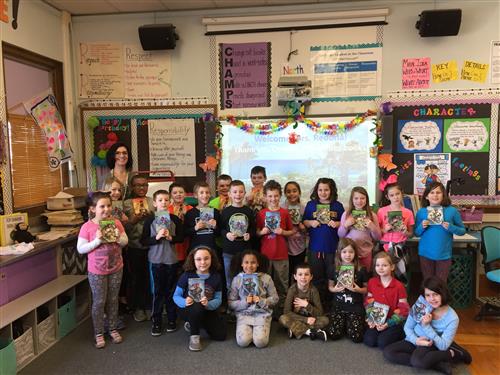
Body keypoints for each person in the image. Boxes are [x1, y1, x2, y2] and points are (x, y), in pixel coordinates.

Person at [384, 277, 472, 374]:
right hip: (416, 340)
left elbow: (442, 346)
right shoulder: (421, 305)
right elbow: (408, 327)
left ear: (443, 293)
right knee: (388, 352)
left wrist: (426, 326)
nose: (432, 299)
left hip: (432, 343)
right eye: (428, 295)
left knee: (417, 361)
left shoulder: (452, 318)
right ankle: (437, 364)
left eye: (435, 294)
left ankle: (451, 353)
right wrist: (416, 340)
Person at [77, 192, 128, 348]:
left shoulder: (116, 222)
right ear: (93, 209)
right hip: (97, 270)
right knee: (99, 301)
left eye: (108, 205)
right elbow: (81, 249)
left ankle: (112, 328)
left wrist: (119, 237)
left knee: (113, 299)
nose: (106, 209)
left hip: (116, 267)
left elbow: (125, 241)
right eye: (102, 206)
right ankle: (98, 332)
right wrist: (97, 240)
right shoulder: (87, 227)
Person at [141, 190, 184, 336]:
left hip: (171, 260)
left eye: (166, 200)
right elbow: (144, 240)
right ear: (154, 203)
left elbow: (181, 237)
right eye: (160, 200)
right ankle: (157, 321)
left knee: (171, 291)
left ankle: (172, 319)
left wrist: (171, 238)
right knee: (158, 292)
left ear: (170, 202)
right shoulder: (149, 220)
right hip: (156, 260)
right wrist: (157, 238)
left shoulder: (174, 219)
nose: (164, 203)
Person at [173, 246, 227, 351]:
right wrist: (185, 301)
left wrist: (208, 304)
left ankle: (195, 323)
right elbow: (176, 296)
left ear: (212, 259)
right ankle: (194, 336)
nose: (203, 262)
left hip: (207, 308)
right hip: (188, 309)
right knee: (196, 305)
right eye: (198, 259)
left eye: (206, 258)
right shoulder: (187, 275)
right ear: (193, 260)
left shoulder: (216, 277)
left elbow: (218, 299)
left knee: (220, 336)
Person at [303, 177, 344, 304]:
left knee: (332, 277)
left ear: (331, 191)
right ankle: (318, 304)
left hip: (332, 249)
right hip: (315, 249)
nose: (323, 192)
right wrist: (310, 222)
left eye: (326, 190)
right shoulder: (311, 205)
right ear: (316, 190)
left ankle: (331, 304)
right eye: (320, 190)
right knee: (316, 278)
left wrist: (337, 224)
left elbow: (344, 223)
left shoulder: (337, 206)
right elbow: (304, 221)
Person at [256, 180, 295, 315]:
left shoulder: (284, 213)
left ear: (280, 196)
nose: (273, 199)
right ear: (265, 197)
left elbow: (292, 231)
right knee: (263, 285)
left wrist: (283, 232)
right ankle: (264, 311)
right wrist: (262, 232)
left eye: (276, 196)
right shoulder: (261, 214)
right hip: (265, 256)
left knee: (282, 285)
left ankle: (281, 312)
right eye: (270, 196)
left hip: (281, 256)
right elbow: (256, 232)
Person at [415, 182, 465, 281]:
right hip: (425, 253)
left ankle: (442, 297)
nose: (435, 195)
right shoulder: (421, 212)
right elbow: (416, 232)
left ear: (443, 195)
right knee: (428, 282)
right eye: (432, 192)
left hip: (444, 254)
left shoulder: (452, 211)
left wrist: (451, 227)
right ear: (426, 196)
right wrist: (422, 226)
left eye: (438, 192)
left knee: (441, 283)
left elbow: (462, 231)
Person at [228, 250, 278, 348]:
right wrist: (244, 302)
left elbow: (275, 298)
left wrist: (262, 301)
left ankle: (263, 327)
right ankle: (250, 331)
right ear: (242, 264)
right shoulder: (237, 279)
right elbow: (231, 303)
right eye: (246, 262)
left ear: (258, 263)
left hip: (262, 314)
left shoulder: (266, 278)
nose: (250, 266)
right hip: (244, 314)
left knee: (260, 342)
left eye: (253, 262)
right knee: (243, 342)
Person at [123, 174, 154, 322]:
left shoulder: (152, 201)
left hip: (151, 245)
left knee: (149, 277)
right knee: (136, 277)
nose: (142, 188)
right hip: (134, 245)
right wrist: (133, 220)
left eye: (144, 185)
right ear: (132, 187)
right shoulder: (126, 204)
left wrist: (152, 215)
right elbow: (123, 227)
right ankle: (137, 307)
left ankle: (148, 305)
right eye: (138, 185)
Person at [364, 251, 409, 349]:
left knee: (382, 343)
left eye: (384, 265)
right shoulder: (372, 282)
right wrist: (370, 318)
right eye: (378, 265)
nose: (380, 268)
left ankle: (400, 333)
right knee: (369, 341)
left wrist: (388, 324)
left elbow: (403, 310)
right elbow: (368, 301)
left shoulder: (399, 286)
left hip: (392, 321)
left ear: (392, 267)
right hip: (377, 319)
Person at [326, 238, 368, 343]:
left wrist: (358, 289)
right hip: (338, 305)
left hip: (355, 306)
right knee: (333, 334)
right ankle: (345, 322)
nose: (347, 255)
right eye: (344, 252)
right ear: (339, 253)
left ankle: (348, 322)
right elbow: (330, 287)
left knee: (356, 337)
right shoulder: (334, 268)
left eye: (351, 252)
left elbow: (366, 289)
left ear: (355, 253)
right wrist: (335, 289)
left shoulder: (361, 269)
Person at [220, 180, 256, 290]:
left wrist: (250, 234)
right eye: (235, 192)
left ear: (245, 193)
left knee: (245, 279)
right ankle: (231, 305)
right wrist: (227, 234)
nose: (238, 194)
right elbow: (220, 229)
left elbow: (253, 229)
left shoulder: (249, 211)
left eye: (241, 192)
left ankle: (244, 304)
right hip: (229, 252)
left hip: (245, 252)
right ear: (229, 194)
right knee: (229, 280)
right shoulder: (225, 211)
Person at [279, 263, 328, 341]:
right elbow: (286, 311)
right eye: (300, 274)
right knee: (282, 318)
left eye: (306, 274)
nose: (303, 277)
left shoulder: (313, 290)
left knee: (325, 320)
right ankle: (310, 332)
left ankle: (295, 329)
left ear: (311, 277)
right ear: (295, 277)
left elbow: (320, 312)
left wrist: (307, 305)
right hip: (297, 318)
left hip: (311, 319)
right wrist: (305, 320)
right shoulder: (292, 290)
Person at [377, 183, 414, 283]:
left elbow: (411, 234)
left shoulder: (408, 212)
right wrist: (384, 229)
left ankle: (399, 296)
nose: (395, 197)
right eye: (392, 195)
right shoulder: (381, 211)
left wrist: (405, 232)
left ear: (402, 194)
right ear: (387, 197)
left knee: (400, 275)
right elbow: (376, 232)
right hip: (385, 247)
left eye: (397, 194)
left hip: (401, 247)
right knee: (384, 274)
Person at [338, 186, 381, 271]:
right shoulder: (346, 214)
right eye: (356, 198)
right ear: (352, 200)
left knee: (364, 277)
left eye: (362, 198)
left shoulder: (372, 215)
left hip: (365, 253)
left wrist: (373, 227)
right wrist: (345, 225)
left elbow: (378, 237)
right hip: (349, 254)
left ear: (366, 199)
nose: (359, 201)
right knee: (349, 276)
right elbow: (340, 235)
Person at [281, 181, 307, 285]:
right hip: (284, 248)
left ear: (299, 192)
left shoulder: (303, 208)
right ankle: (287, 297)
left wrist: (303, 228)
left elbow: (307, 231)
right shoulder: (281, 208)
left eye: (294, 191)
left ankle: (297, 295)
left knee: (298, 274)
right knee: (285, 275)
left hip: (299, 247)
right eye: (288, 191)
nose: (291, 194)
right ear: (285, 194)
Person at [184, 181, 220, 252]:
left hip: (212, 249)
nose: (205, 195)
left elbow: (219, 233)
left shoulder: (215, 212)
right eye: (201, 193)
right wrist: (195, 228)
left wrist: (215, 226)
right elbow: (185, 233)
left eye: (207, 192)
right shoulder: (190, 213)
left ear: (210, 195)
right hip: (195, 249)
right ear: (195, 195)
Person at [168, 183, 193, 265]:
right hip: (172, 244)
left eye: (181, 192)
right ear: (170, 195)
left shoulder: (191, 209)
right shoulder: (166, 209)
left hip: (187, 242)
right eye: (175, 193)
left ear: (185, 194)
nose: (178, 194)